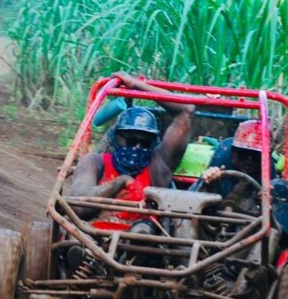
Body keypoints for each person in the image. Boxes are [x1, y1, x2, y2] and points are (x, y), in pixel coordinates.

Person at [70, 71, 195, 229]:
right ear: (117, 137)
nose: (137, 148)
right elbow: (78, 206)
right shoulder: (95, 162)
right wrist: (119, 182)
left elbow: (186, 111)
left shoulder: (158, 165)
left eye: (144, 143)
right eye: (131, 141)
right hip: (93, 238)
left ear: (152, 142)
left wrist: (136, 85)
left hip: (144, 241)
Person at [194, 119, 288, 254]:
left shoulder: (268, 173)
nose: (249, 160)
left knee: (279, 188)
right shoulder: (222, 158)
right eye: (243, 154)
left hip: (245, 231)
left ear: (266, 156)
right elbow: (193, 197)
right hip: (212, 224)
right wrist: (208, 183)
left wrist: (267, 206)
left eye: (255, 156)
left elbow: (280, 231)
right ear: (233, 151)